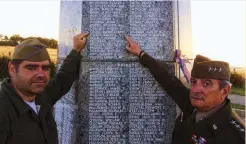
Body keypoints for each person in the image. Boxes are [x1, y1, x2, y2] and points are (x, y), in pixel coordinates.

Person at [124, 35, 245, 144]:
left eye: (206, 84)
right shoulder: (193, 104)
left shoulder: (235, 136)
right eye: (193, 82)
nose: (195, 89)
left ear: (224, 90)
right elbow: (168, 80)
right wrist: (140, 53)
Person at [0, 32, 89, 144]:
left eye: (45, 68)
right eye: (31, 68)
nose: (41, 74)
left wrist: (76, 50)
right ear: (12, 69)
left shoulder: (41, 95)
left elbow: (62, 79)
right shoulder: (3, 110)